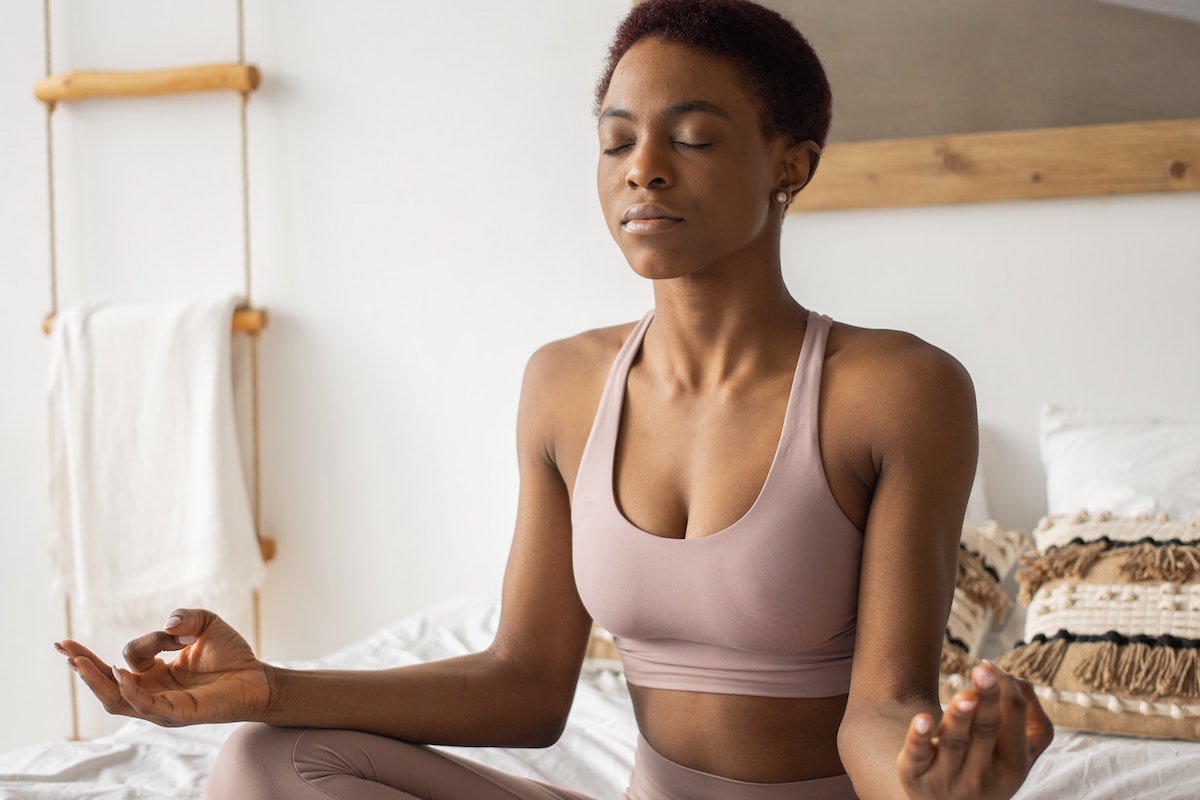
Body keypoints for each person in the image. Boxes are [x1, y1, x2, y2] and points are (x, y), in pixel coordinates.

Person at [54, 1, 1053, 797]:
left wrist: (929, 786)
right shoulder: (565, 384)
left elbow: (880, 708)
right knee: (266, 761)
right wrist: (264, 687)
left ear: (790, 162)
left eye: (694, 136)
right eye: (617, 141)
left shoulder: (896, 389)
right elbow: (527, 682)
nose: (643, 169)